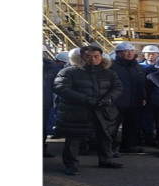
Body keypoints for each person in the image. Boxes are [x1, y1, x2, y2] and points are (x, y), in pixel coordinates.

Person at [53, 45, 124, 175]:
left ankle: (106, 160)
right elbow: (61, 87)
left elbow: (118, 87)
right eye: (88, 56)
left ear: (101, 57)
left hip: (102, 109)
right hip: (76, 110)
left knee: (105, 135)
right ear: (81, 57)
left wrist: (109, 98)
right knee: (74, 139)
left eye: (96, 56)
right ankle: (71, 164)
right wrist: (86, 99)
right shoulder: (69, 72)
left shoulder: (109, 73)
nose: (93, 59)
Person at [110, 42, 147, 154]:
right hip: (116, 102)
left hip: (134, 102)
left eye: (131, 51)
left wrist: (144, 97)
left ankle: (127, 146)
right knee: (112, 127)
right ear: (118, 53)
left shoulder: (138, 67)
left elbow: (142, 84)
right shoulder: (111, 67)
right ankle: (110, 149)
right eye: (125, 51)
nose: (129, 53)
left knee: (131, 126)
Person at [43, 46, 59, 158]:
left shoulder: (50, 68)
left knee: (42, 127)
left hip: (44, 102)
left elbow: (56, 86)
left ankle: (42, 149)